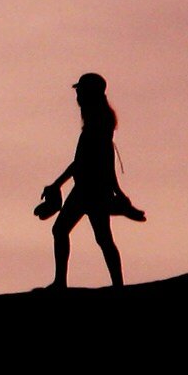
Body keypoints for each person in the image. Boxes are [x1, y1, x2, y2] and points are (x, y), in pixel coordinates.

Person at [34, 72, 147, 289]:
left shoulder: (96, 122)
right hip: (92, 188)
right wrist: (118, 192)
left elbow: (83, 162)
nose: (77, 95)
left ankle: (62, 282)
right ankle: (117, 284)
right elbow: (104, 161)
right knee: (102, 238)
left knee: (65, 231)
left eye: (80, 91)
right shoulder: (101, 120)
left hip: (88, 190)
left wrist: (57, 184)